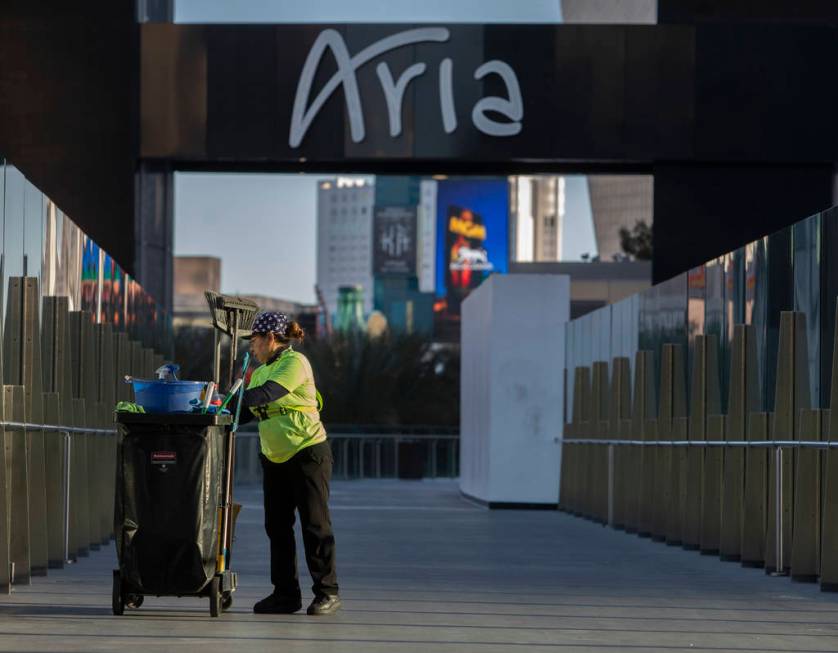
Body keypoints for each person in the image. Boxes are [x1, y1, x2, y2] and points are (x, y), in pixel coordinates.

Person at [236, 310, 340, 615]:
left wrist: (232, 396)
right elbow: (247, 410)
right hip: (275, 457)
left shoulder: (295, 363)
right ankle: (285, 594)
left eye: (253, 340)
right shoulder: (260, 370)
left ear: (270, 338)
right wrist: (215, 413)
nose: (251, 347)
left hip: (307, 452)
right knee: (277, 527)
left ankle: (327, 592)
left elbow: (268, 395)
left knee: (315, 524)